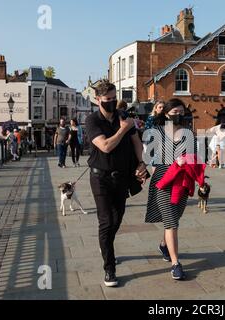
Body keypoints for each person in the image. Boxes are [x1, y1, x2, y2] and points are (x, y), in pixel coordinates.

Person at [86, 80, 148, 287]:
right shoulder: (92, 121)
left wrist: (141, 163)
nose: (111, 103)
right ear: (98, 100)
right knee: (106, 221)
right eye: (107, 100)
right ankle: (109, 268)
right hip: (100, 177)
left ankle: (105, 245)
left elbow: (136, 143)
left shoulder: (124, 117)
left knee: (118, 218)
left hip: (121, 176)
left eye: (114, 99)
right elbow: (104, 146)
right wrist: (122, 129)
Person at [145, 98, 201, 281]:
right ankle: (175, 264)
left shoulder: (189, 133)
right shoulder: (157, 132)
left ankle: (164, 245)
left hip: (182, 183)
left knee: (174, 219)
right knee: (172, 223)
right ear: (166, 113)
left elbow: (195, 157)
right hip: (163, 180)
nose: (179, 115)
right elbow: (151, 156)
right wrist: (173, 161)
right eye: (175, 112)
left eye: (182, 113)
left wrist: (194, 168)